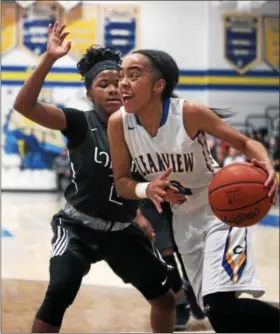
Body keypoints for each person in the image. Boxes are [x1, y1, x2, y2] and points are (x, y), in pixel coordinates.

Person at [13, 23, 179, 333]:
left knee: (166, 299)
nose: (115, 89)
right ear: (90, 93)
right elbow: (24, 106)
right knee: (59, 291)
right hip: (78, 227)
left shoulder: (143, 129)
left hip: (122, 230)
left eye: (120, 82)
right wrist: (49, 59)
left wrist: (140, 214)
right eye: (104, 84)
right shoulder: (78, 122)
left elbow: (134, 179)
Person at [107, 49, 280, 333]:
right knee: (221, 315)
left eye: (133, 75)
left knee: (221, 307)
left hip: (221, 212)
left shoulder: (188, 113)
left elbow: (246, 143)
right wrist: (148, 188)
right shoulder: (119, 124)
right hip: (183, 219)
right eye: (121, 75)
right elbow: (121, 182)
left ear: (158, 85)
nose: (123, 82)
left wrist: (266, 165)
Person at [139, 199, 206, 331]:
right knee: (163, 253)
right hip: (149, 198)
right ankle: (180, 300)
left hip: (182, 196)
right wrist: (138, 215)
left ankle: (192, 288)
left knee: (186, 249)